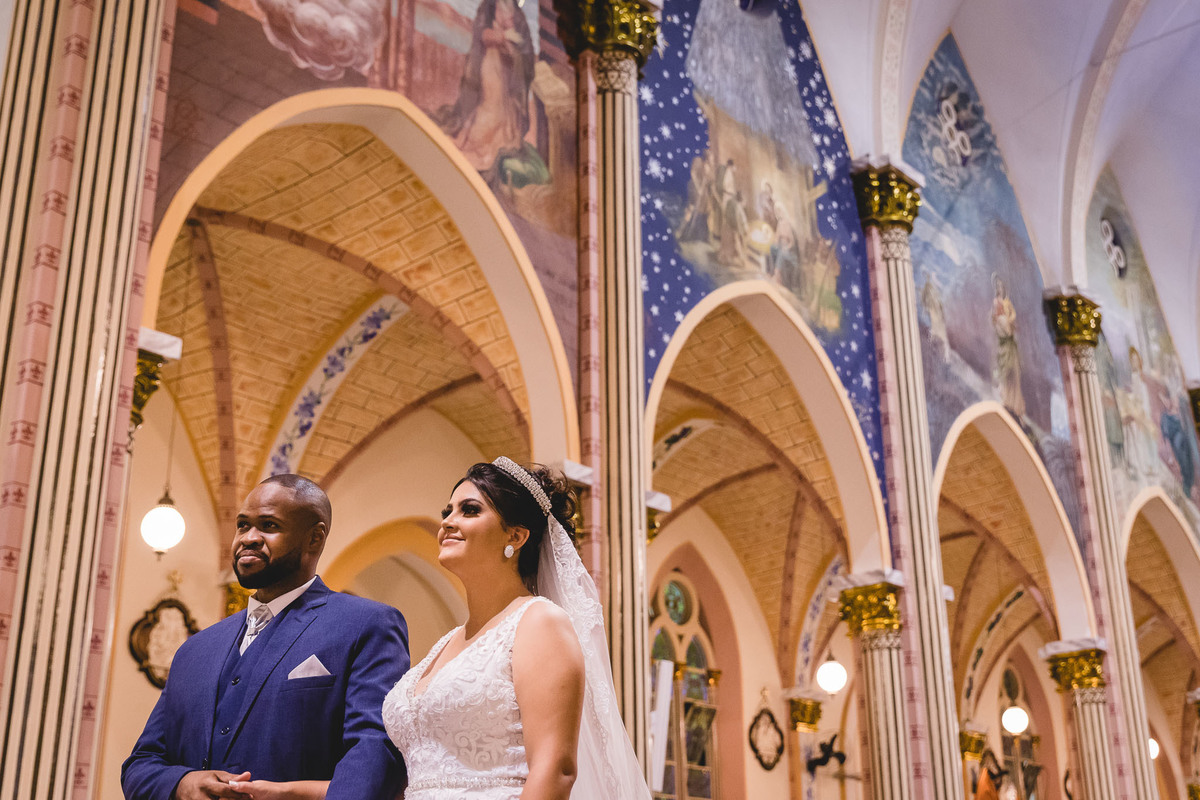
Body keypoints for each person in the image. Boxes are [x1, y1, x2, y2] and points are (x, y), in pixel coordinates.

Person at [122, 474, 409, 800]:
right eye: (243, 526)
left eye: (269, 526)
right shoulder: (195, 648)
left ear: (314, 538)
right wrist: (182, 784)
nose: (249, 538)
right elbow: (141, 763)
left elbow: (376, 749)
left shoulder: (366, 624)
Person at [383, 458, 650, 799]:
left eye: (469, 510)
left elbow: (555, 769)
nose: (447, 522)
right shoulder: (446, 643)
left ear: (516, 535)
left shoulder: (540, 623)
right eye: (447, 511)